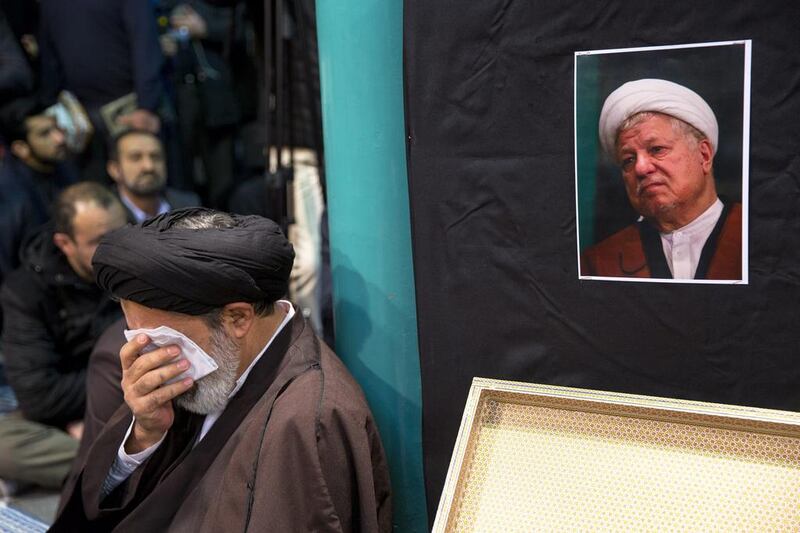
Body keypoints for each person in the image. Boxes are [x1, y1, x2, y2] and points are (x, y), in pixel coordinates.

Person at [53, 207, 391, 532]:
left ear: (238, 318)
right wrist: (145, 436)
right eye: (136, 335)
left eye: (161, 339)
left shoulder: (306, 420)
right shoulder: (214, 365)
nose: (147, 355)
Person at [0, 182, 127, 490]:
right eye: (100, 241)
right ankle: (120, 467)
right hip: (76, 406)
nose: (116, 249)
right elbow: (39, 394)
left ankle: (104, 466)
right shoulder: (26, 291)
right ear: (65, 243)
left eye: (121, 234)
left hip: (132, 398)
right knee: (5, 445)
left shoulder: (134, 267)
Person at [580, 78, 742, 280]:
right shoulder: (597, 263)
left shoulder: (762, 235)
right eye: (628, 160)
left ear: (704, 155)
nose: (640, 168)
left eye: (657, 150)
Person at [38, 0, 164, 183]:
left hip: (129, 109)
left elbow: (145, 46)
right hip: (80, 118)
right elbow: (49, 58)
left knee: (144, 183)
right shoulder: (50, 4)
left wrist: (147, 105)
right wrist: (53, 109)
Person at [0, 96, 76, 283]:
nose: (59, 138)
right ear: (21, 148)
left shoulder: (63, 165)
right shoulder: (10, 197)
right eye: (45, 134)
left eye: (56, 128)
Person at [108, 129, 200, 222]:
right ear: (115, 169)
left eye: (155, 157)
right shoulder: (105, 215)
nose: (149, 166)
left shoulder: (189, 208)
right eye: (136, 157)